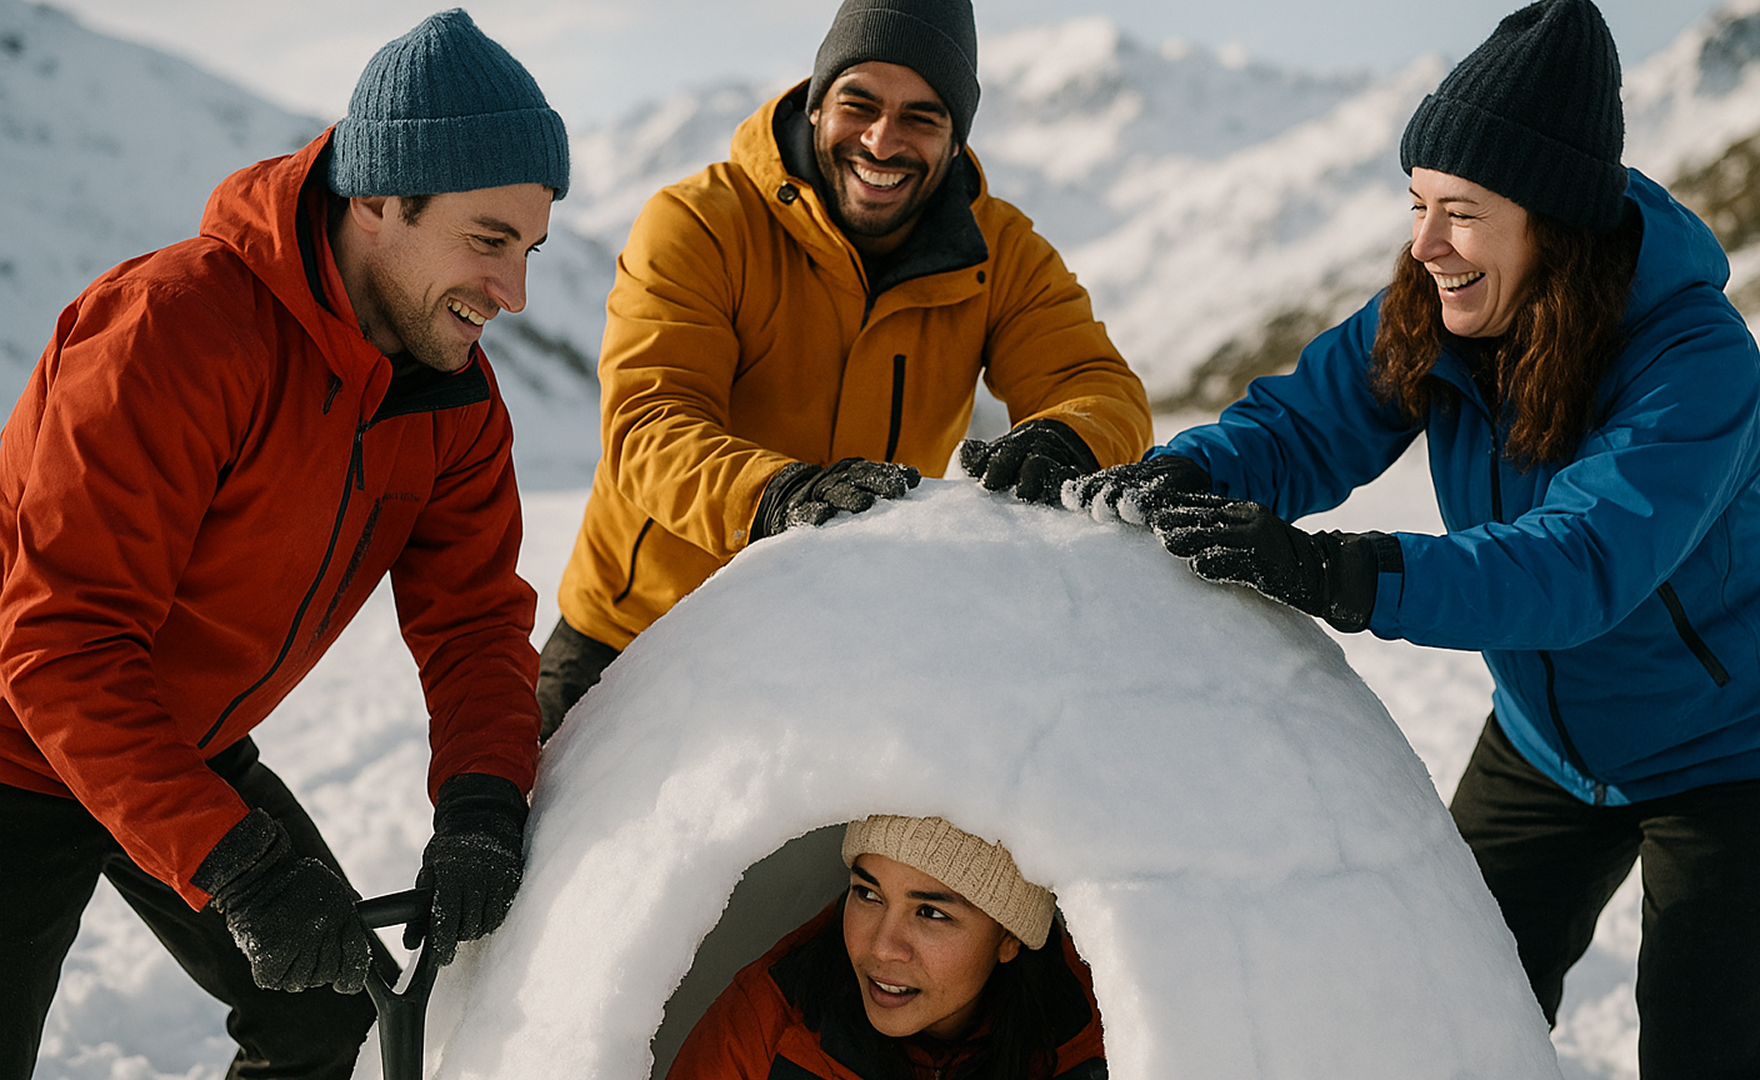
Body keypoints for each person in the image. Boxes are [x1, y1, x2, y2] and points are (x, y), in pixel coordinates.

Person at [1067, 2, 1760, 1077]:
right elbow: (1301, 427)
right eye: (1419, 205)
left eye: (1463, 214)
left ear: (1553, 224)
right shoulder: (1441, 308)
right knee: (1443, 1013)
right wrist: (1184, 474)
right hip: (1544, 745)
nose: (1426, 245)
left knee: (1708, 1057)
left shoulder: (1694, 361)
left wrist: (1334, 571)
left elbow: (1577, 565)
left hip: (1733, 756)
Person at [0, 10, 566, 1077]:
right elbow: (62, 648)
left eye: (531, 249)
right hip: (15, 737)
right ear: (380, 200)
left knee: (320, 1013)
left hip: (178, 737)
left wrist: (483, 803)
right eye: (489, 240)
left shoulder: (450, 399)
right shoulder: (172, 333)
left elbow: (473, 620)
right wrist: (240, 869)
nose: (514, 292)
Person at [537, 0, 1153, 740]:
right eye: (859, 104)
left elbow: (1098, 385)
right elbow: (649, 425)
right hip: (632, 638)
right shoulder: (701, 223)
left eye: (922, 117)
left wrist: (1071, 436)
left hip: (839, 642)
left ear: (956, 139)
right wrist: (775, 495)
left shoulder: (1001, 256)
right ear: (816, 102)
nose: (882, 141)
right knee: (538, 819)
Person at [664, 815, 1105, 1080]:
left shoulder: (1101, 1043)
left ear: (1009, 937)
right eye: (868, 894)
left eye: (931, 913)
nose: (882, 947)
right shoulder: (770, 1023)